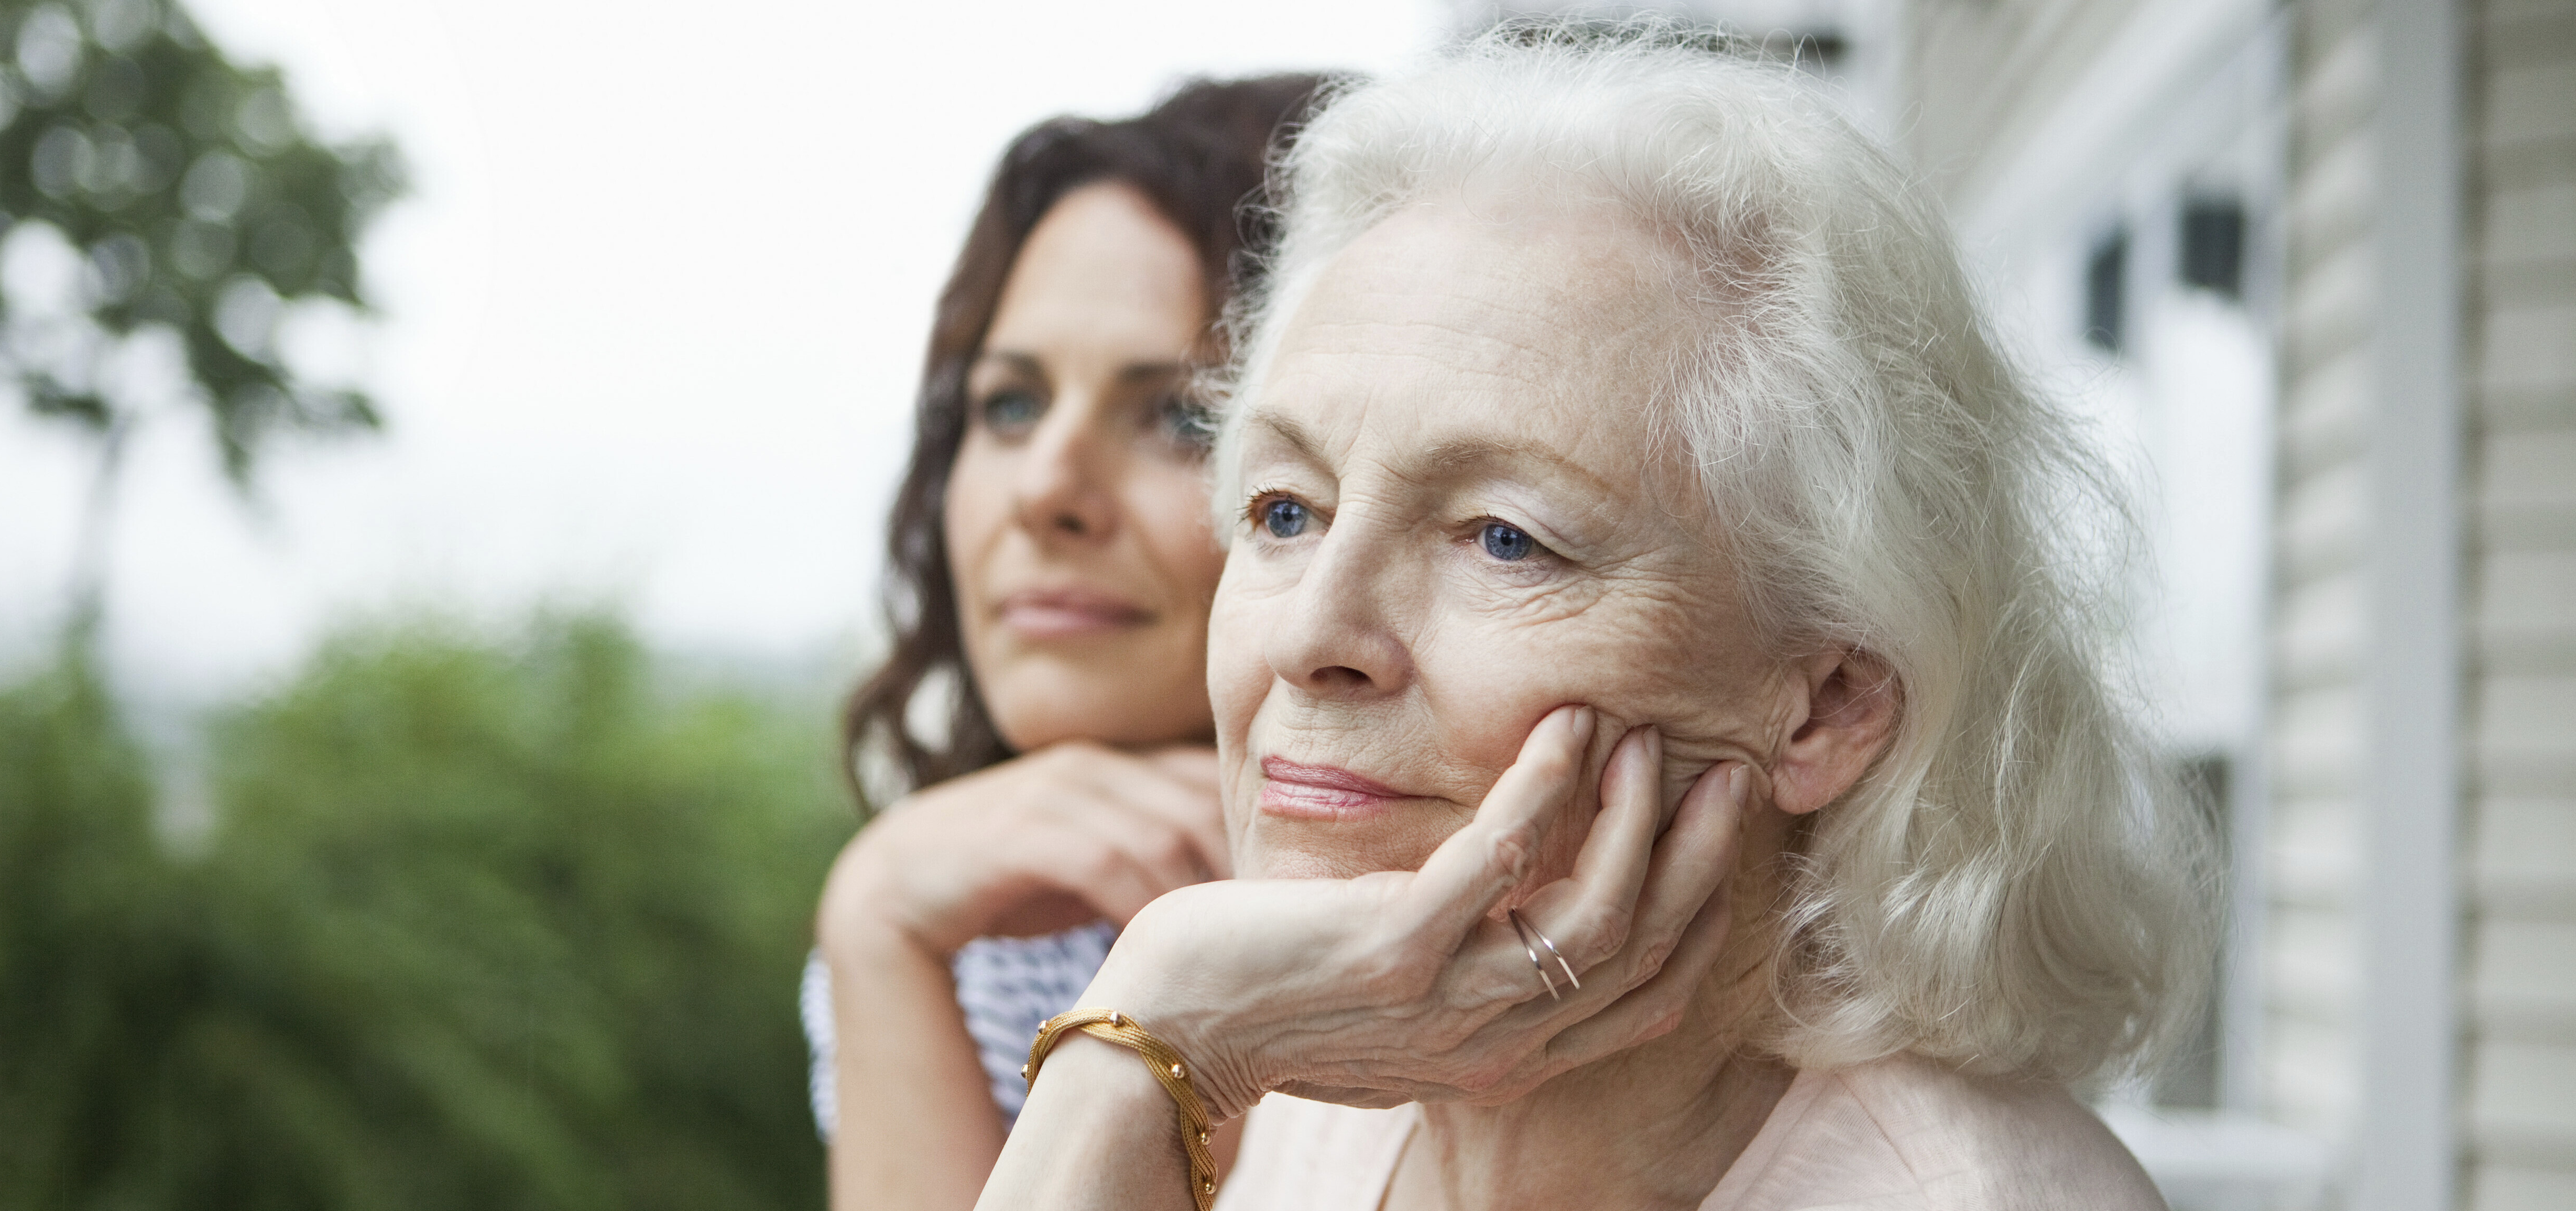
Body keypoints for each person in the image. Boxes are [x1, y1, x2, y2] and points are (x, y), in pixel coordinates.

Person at [975, 27, 2211, 1211]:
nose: (1313, 636)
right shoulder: (1336, 1081)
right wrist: (1148, 1032)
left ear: (1824, 703)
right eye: (1285, 512)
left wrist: (1142, 1043)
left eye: (1502, 538)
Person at [803, 75, 1337, 1211]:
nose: (1045, 490)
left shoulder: (1530, 944)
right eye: (1008, 404)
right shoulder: (974, 926)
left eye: (1181, 416)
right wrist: (877, 922)